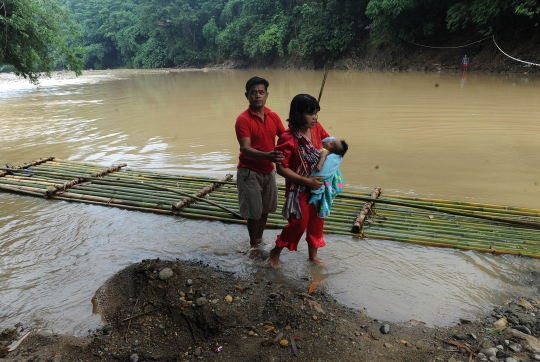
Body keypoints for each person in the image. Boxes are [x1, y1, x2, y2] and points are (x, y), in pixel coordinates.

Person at [268, 94, 330, 268]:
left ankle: (313, 257)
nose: (315, 117)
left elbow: (328, 143)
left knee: (317, 222)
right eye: (310, 114)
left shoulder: (317, 129)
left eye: (316, 113)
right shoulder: (287, 139)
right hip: (299, 190)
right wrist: (306, 181)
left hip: (318, 187)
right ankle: (275, 251)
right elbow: (281, 168)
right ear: (298, 114)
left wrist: (323, 155)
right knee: (298, 225)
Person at [235, 76, 285, 248]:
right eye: (253, 93)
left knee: (265, 210)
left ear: (267, 95)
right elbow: (245, 149)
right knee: (254, 213)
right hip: (249, 171)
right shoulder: (243, 119)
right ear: (246, 95)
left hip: (268, 170)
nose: (258, 96)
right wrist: (268, 156)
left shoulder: (273, 116)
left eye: (261, 92)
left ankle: (259, 239)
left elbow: (285, 138)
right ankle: (253, 244)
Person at [309, 136, 348, 218]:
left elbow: (322, 161)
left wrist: (319, 165)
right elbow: (331, 138)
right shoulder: (329, 149)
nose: (329, 141)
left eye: (331, 143)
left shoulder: (325, 152)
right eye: (330, 141)